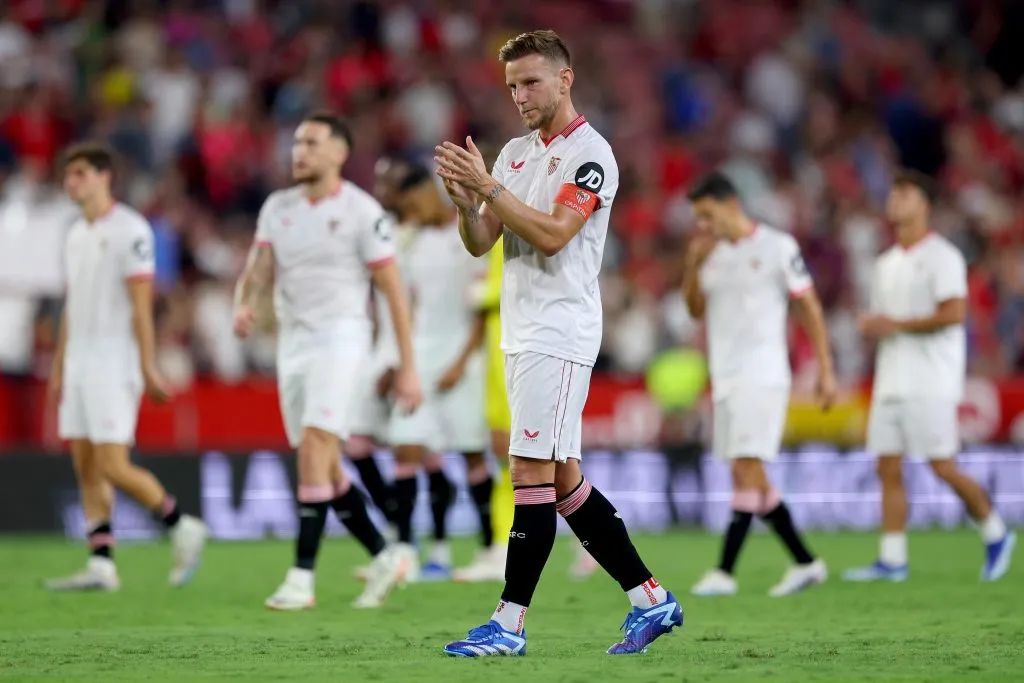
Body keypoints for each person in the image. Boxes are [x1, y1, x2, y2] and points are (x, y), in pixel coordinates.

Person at [434, 30, 682, 657]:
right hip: (522, 333)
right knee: (564, 479)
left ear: (566, 78)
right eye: (513, 85)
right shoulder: (515, 152)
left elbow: (551, 235)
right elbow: (481, 240)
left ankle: (509, 623)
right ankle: (650, 599)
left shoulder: (592, 155)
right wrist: (467, 204)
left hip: (560, 330)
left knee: (529, 473)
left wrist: (489, 191)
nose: (520, 95)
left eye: (532, 82)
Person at [233, 111, 422, 610]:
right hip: (292, 343)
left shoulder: (363, 213)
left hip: (342, 338)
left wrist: (407, 364)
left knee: (315, 444)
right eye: (297, 143)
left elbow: (393, 293)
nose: (300, 152)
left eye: (312, 143)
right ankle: (385, 557)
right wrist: (243, 300)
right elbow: (258, 264)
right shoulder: (278, 207)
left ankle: (301, 577)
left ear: (339, 153)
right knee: (326, 467)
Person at [46, 142, 208, 592]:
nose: (70, 182)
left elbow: (142, 306)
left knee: (113, 464)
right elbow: (72, 308)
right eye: (67, 174)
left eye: (79, 173)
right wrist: (59, 365)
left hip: (113, 362)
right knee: (86, 465)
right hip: (79, 360)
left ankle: (181, 525)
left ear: (104, 177)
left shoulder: (131, 229)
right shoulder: (75, 233)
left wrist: (148, 365)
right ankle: (101, 563)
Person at [843, 169, 1017, 583]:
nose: (895, 199)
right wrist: (872, 328)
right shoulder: (885, 263)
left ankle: (995, 531)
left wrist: (892, 324)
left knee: (942, 465)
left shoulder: (944, 256)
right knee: (887, 465)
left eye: (904, 192)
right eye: (893, 192)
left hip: (931, 381)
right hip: (891, 379)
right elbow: (886, 323)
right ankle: (892, 558)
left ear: (924, 204)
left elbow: (955, 312)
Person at [683, 171, 834, 598]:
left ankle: (724, 571)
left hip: (763, 374)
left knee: (747, 469)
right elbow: (695, 310)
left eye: (708, 215)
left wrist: (825, 368)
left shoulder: (777, 246)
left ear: (731, 205)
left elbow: (809, 305)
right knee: (745, 471)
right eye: (698, 219)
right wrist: (692, 267)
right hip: (726, 379)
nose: (703, 227)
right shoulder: (711, 256)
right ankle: (806, 563)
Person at [385, 161, 505, 582]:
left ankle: (490, 547)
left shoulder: (466, 236)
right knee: (406, 447)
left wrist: (460, 362)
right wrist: (404, 361)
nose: (408, 211)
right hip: (421, 358)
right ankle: (403, 552)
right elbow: (409, 307)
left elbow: (480, 310)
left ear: (428, 193)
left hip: (462, 361)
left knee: (472, 452)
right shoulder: (410, 243)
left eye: (411, 201)